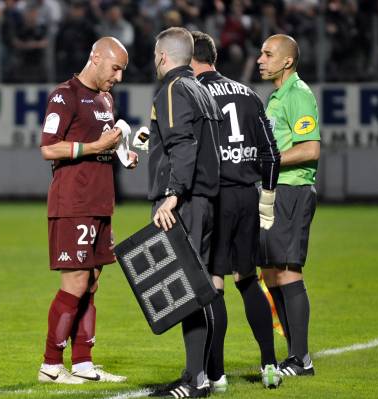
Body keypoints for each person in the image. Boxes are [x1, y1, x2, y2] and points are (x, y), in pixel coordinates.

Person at [38, 37, 137, 384]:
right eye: (115, 68)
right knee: (76, 282)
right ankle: (51, 366)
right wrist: (96, 146)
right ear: (95, 57)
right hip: (72, 204)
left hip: (99, 203)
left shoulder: (106, 100)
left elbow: (101, 149)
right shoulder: (65, 95)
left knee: (92, 282)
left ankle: (82, 363)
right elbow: (48, 149)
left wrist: (123, 153)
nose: (119, 77)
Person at [190, 31, 282, 392]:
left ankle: (217, 375)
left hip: (215, 197)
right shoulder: (248, 94)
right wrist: (268, 199)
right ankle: (270, 365)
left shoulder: (193, 93)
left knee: (214, 285)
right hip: (248, 195)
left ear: (190, 60)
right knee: (248, 278)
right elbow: (271, 156)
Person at [147, 27, 222, 398]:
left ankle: (196, 379)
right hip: (206, 200)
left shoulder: (174, 90)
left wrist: (172, 195)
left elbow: (182, 145)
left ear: (163, 57)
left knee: (189, 291)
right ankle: (198, 374)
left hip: (186, 202)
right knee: (198, 288)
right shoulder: (202, 90)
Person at [256, 34, 320, 377]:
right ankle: (293, 354)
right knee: (270, 272)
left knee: (288, 270)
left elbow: (310, 149)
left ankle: (301, 358)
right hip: (274, 192)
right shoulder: (276, 97)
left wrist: (271, 161)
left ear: (287, 61)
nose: (259, 59)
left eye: (268, 54)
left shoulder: (298, 95)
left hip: (293, 191)